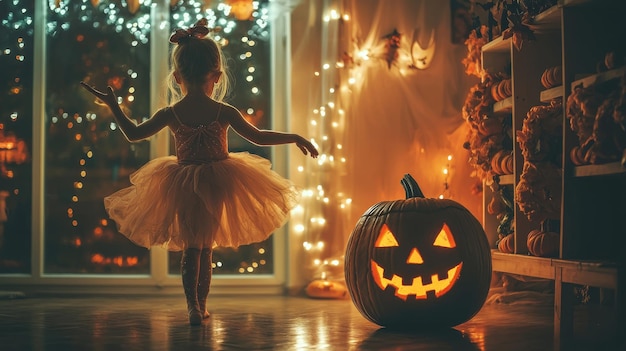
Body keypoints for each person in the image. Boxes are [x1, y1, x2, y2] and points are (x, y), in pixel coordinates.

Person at [80, 18, 318, 326]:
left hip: (181, 183)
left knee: (192, 248)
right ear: (216, 76)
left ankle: (194, 307)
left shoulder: (171, 113)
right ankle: (199, 306)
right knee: (205, 248)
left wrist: (114, 105)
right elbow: (259, 137)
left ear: (177, 76)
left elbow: (134, 134)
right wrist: (295, 137)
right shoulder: (223, 112)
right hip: (218, 182)